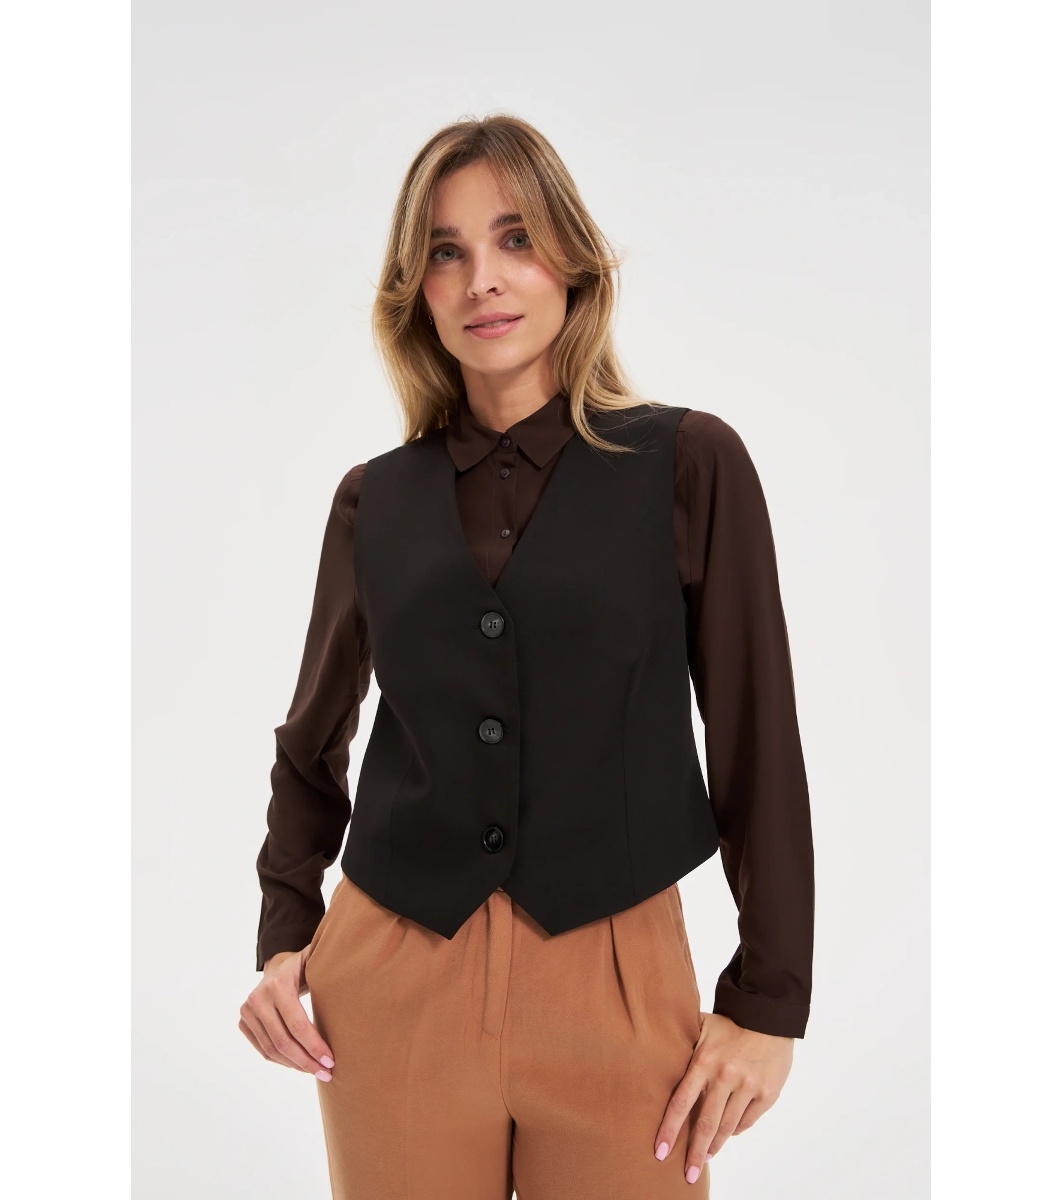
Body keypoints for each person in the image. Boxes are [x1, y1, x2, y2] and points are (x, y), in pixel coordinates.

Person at [239, 114, 815, 1200]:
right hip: (392, 977)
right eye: (445, 252)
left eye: (514, 239)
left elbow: (756, 742)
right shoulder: (373, 502)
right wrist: (283, 934)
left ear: (574, 262)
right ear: (416, 290)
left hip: (619, 984)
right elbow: (312, 739)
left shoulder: (688, 465)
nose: (482, 281)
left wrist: (771, 1003)